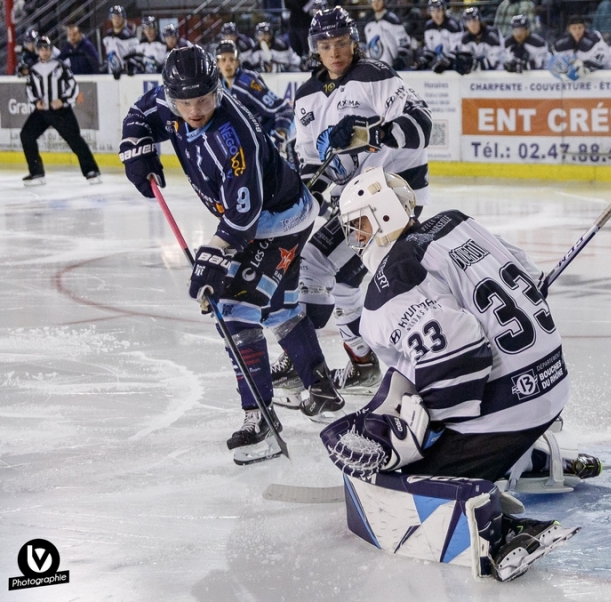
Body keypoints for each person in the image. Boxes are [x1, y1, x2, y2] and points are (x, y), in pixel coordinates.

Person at [319, 167, 597, 581]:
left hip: (511, 409)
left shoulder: (390, 279)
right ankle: (532, 457)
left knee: (406, 473)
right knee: (417, 376)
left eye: (360, 225)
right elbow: (530, 275)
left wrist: (416, 432)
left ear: (382, 217)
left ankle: (504, 536)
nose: (357, 238)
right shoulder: (456, 222)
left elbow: (461, 353)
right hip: (552, 382)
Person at [119, 46, 345, 465]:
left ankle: (258, 418)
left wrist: (213, 258)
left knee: (236, 306)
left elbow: (244, 217)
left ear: (218, 90)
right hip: (272, 216)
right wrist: (136, 146)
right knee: (277, 309)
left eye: (203, 100)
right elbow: (139, 113)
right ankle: (321, 386)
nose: (194, 110)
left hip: (277, 221)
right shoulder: (171, 100)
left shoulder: (232, 135)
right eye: (184, 103)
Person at [276, 6, 433, 403]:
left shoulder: (374, 76)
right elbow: (315, 164)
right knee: (345, 283)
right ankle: (362, 361)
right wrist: (299, 204)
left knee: (314, 263)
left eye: (342, 43)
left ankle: (301, 362)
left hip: (392, 193)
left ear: (354, 42)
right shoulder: (307, 96)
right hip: (352, 200)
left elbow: (421, 124)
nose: (335, 52)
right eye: (326, 46)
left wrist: (366, 131)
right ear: (315, 49)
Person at [20, 36, 101, 187]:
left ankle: (91, 171)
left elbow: (73, 86)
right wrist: (36, 102)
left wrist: (62, 101)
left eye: (47, 48)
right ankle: (36, 172)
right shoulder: (33, 69)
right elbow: (29, 89)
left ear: (51, 50)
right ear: (38, 51)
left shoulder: (60, 66)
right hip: (42, 112)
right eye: (41, 48)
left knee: (74, 139)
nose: (44, 51)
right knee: (26, 135)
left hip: (61, 111)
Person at [214, 40, 294, 152]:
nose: (228, 64)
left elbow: (284, 109)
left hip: (266, 140)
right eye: (223, 59)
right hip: (249, 144)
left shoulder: (247, 82)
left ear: (237, 62)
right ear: (217, 64)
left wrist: (279, 134)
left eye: (232, 59)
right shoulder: (218, 88)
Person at [550, 15, 611, 80]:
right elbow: (556, 60)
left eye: (580, 27)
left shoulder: (594, 38)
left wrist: (586, 67)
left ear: (584, 27)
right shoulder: (562, 43)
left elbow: (603, 58)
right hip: (588, 75)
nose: (577, 31)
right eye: (574, 28)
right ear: (569, 29)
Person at [363, 0, 413, 70]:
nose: (376, 3)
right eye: (373, 1)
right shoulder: (368, 23)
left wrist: (399, 59)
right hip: (373, 69)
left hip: (390, 67)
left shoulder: (393, 20)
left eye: (378, 1)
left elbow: (404, 42)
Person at [417, 0, 462, 72]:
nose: (436, 14)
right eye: (433, 11)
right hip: (437, 64)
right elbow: (430, 49)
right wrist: (424, 61)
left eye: (438, 10)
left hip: (454, 64)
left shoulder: (453, 25)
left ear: (444, 11)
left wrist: (445, 63)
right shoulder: (428, 26)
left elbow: (456, 49)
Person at [455, 7, 503, 74]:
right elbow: (466, 57)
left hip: (498, 74)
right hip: (476, 76)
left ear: (480, 21)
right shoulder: (465, 38)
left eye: (474, 20)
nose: (472, 24)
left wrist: (474, 65)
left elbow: (495, 60)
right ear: (465, 24)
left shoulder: (492, 35)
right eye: (469, 21)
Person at [102, 5, 138, 79]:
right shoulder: (107, 36)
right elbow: (109, 55)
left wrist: (130, 68)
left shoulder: (130, 36)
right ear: (111, 19)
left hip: (126, 76)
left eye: (119, 17)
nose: (116, 20)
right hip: (111, 74)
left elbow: (134, 57)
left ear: (123, 18)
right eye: (114, 17)